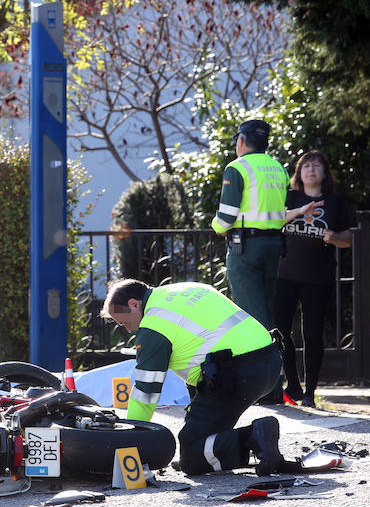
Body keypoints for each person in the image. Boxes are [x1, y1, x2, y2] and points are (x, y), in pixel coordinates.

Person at [101, 278, 297, 476]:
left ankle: (254, 436)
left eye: (124, 321)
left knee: (192, 457)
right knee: (204, 438)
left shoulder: (154, 326)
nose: (128, 329)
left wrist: (130, 439)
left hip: (236, 373)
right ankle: (251, 442)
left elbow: (146, 392)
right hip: (269, 360)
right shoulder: (186, 288)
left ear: (134, 304)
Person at [274, 150, 352, 408]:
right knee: (280, 330)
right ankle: (293, 383)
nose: (310, 169)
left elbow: (348, 237)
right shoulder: (290, 197)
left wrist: (335, 238)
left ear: (324, 173)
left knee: (312, 334)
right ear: (299, 172)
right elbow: (273, 221)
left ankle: (310, 393)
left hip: (318, 278)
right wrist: (298, 211)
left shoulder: (335, 203)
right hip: (284, 275)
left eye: (316, 165)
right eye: (305, 165)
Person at [210, 119, 288, 331]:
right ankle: (276, 357)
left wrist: (217, 227)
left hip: (245, 247)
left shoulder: (237, 167)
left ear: (241, 140)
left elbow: (226, 217)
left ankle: (263, 358)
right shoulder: (278, 168)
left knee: (250, 310)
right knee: (267, 304)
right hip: (274, 244)